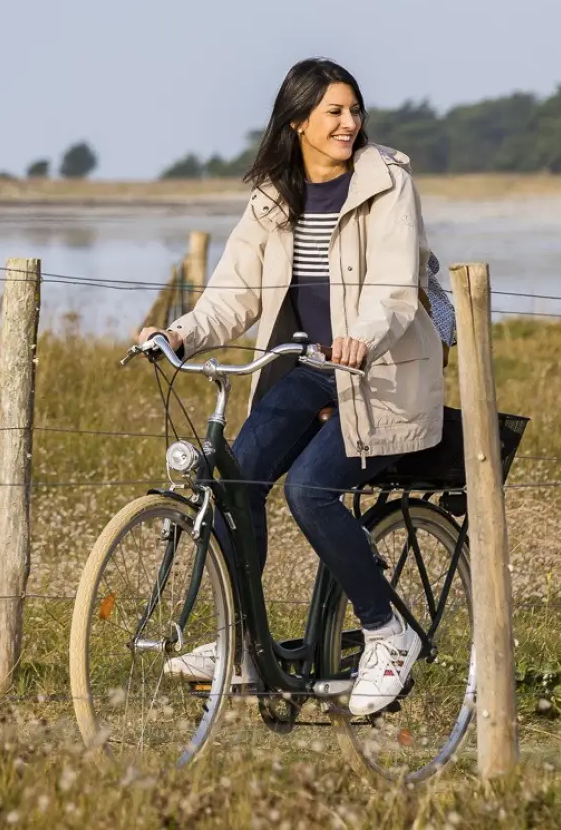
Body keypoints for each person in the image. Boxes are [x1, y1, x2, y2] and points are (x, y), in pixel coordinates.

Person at [133, 58, 447, 716]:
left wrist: (361, 336)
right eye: (334, 112)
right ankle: (243, 641)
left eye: (354, 110)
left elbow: (394, 290)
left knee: (310, 489)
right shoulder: (274, 199)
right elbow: (234, 294)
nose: (349, 123)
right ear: (298, 121)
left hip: (381, 374)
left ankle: (387, 633)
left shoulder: (387, 183)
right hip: (308, 370)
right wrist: (181, 334)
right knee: (235, 477)